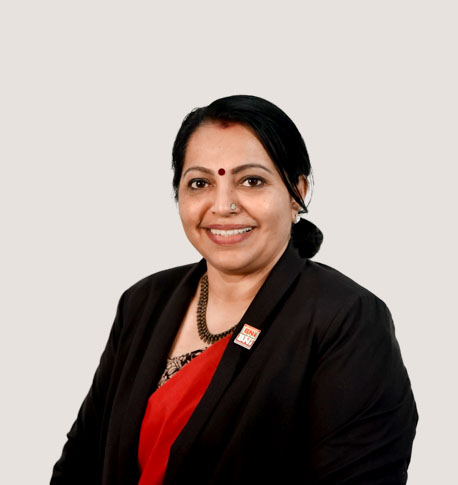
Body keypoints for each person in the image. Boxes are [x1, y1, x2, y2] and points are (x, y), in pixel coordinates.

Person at [51, 95, 418, 484]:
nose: (222, 205)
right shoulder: (144, 302)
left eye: (251, 181)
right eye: (200, 183)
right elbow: (82, 459)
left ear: (297, 192)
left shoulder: (345, 319)